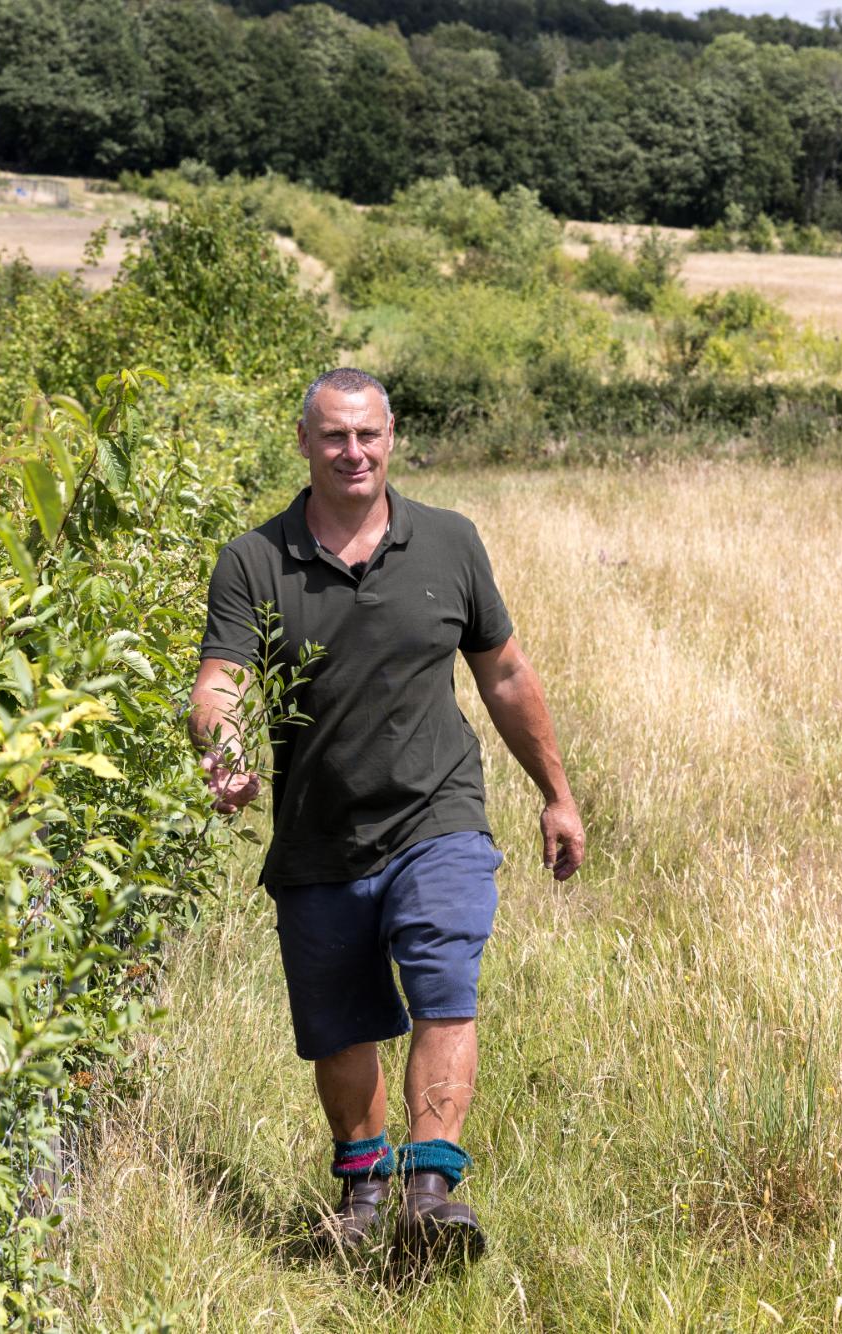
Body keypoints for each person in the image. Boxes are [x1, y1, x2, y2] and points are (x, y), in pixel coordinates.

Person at [188, 367, 585, 1259]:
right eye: (335, 435)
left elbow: (506, 674)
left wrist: (555, 794)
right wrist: (225, 747)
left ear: (392, 436)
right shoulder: (253, 559)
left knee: (445, 978)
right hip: (318, 832)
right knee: (342, 1022)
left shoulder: (449, 542)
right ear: (303, 442)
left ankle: (433, 1190)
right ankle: (365, 1188)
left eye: (368, 434)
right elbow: (221, 681)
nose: (353, 451)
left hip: (438, 812)